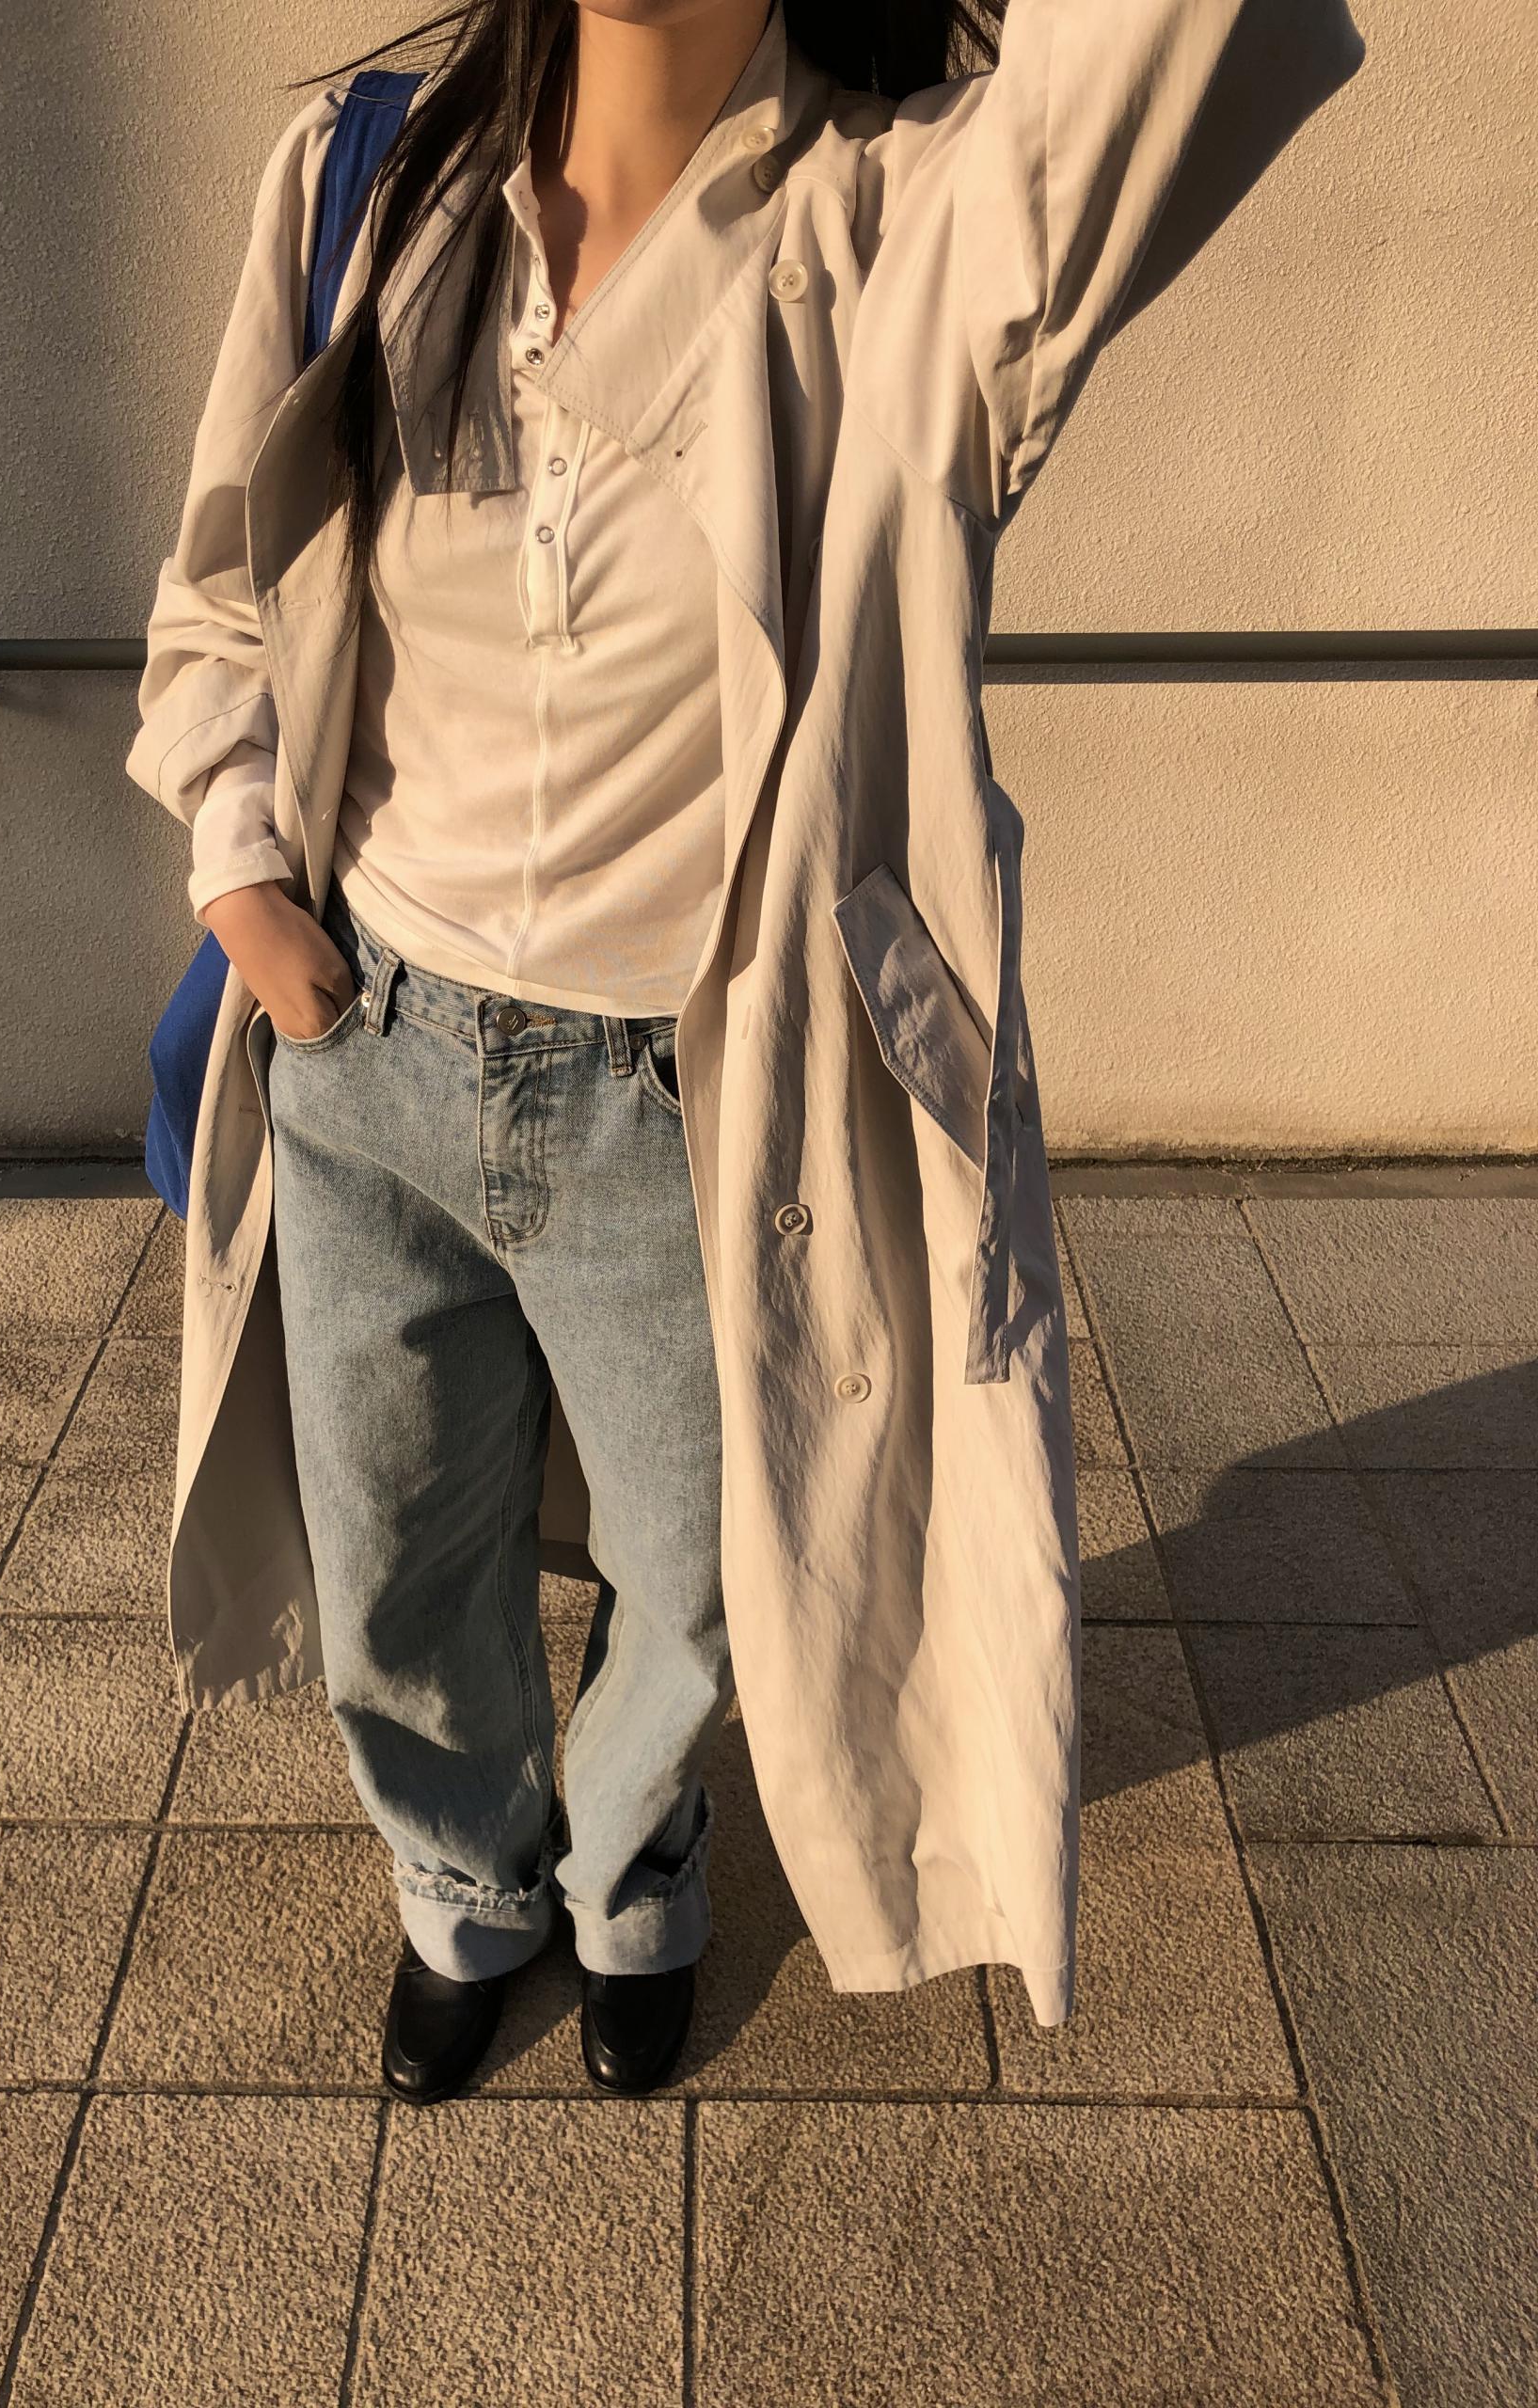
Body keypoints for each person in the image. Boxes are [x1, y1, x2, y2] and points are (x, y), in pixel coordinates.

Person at [129, 0, 1367, 2105]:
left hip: (681, 1104)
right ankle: (464, 1880)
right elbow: (229, 593)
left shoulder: (907, 228)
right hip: (372, 1049)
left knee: (701, 1581)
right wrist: (248, 880)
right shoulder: (372, 178)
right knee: (396, 1562)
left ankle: (633, 1873)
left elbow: (1165, 44)